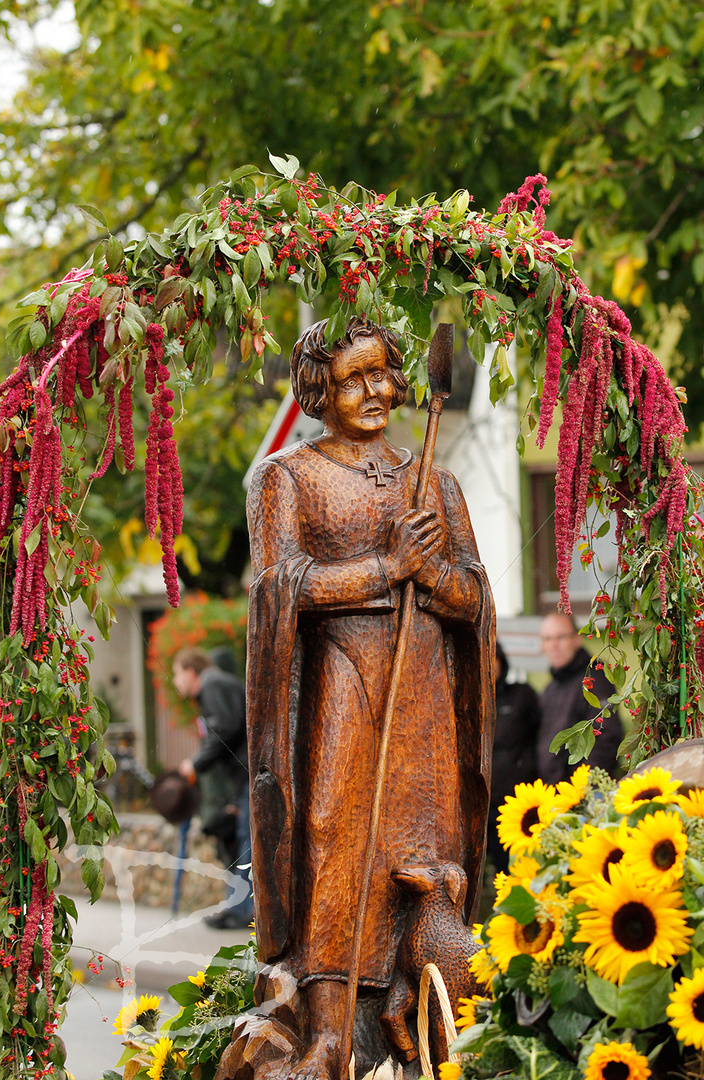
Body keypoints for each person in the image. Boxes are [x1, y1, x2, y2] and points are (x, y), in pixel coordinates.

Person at [245, 316, 495, 1078]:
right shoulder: (287, 476)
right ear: (320, 390)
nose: (376, 389)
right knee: (334, 844)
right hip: (343, 689)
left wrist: (435, 577)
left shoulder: (434, 481)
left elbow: (473, 596)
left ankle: (431, 1017)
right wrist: (386, 568)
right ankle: (326, 1032)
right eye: (353, 378)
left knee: (426, 852)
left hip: (423, 693)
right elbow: (278, 586)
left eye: (384, 371)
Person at [174, 646, 252, 929]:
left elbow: (225, 729)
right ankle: (239, 908)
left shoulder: (213, 684)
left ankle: (242, 912)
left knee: (246, 842)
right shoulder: (215, 686)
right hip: (245, 777)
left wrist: (196, 763)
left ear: (190, 671)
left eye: (177, 673)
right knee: (244, 840)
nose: (175, 681)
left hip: (249, 775)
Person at [537, 612, 622, 784]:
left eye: (560, 637)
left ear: (577, 639)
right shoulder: (551, 688)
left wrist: (583, 789)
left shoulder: (594, 679)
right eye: (547, 639)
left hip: (584, 796)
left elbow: (606, 737)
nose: (554, 645)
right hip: (556, 794)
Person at [487, 641, 541, 873]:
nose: (489, 664)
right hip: (488, 804)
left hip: (521, 800)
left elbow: (543, 735)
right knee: (501, 866)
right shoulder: (471, 701)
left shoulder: (522, 695)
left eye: (493, 657)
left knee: (527, 863)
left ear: (502, 661)